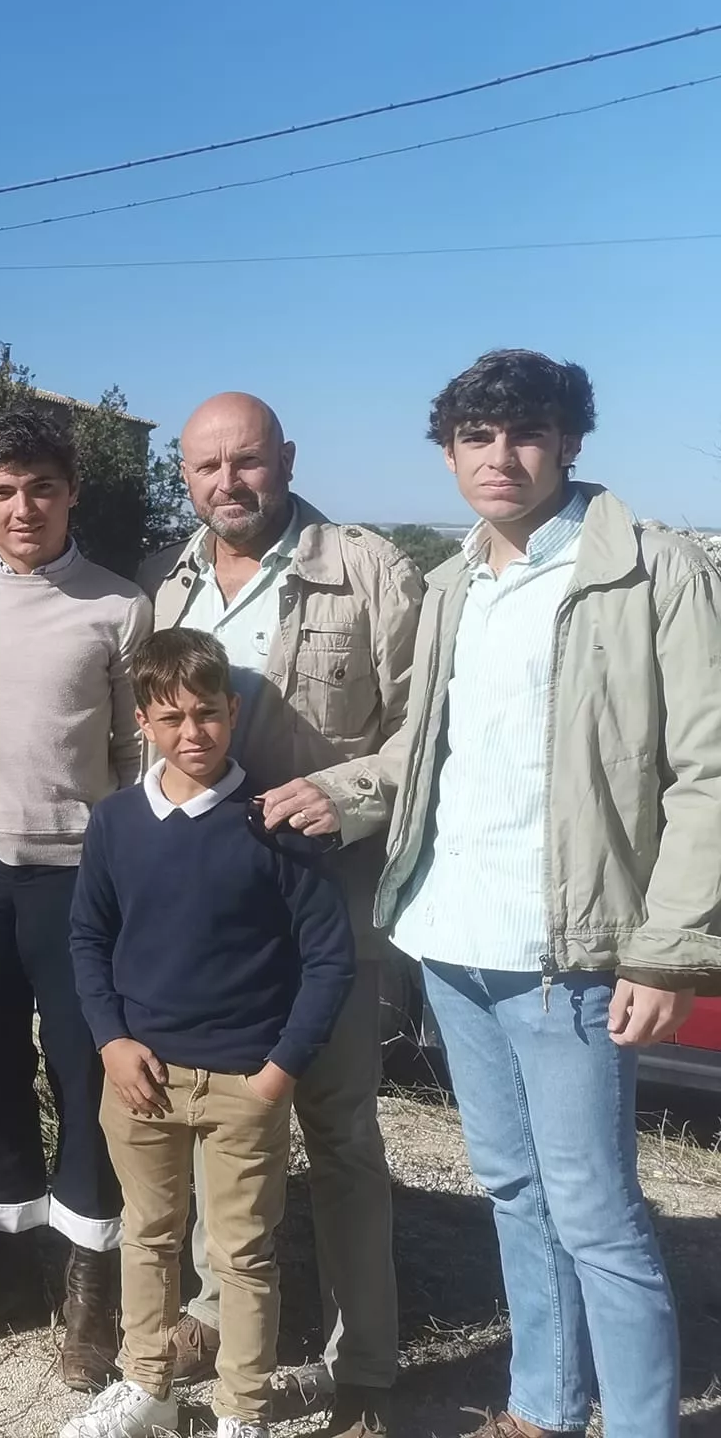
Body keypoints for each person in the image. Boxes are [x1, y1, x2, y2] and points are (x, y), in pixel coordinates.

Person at [266, 350, 721, 1438]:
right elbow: (432, 750)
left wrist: (668, 950)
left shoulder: (652, 571)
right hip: (451, 937)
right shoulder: (453, 583)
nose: (499, 456)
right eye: (476, 437)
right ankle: (541, 1407)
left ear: (568, 441)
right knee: (513, 1193)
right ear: (448, 453)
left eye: (524, 433)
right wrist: (337, 787)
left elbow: (705, 771)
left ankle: (640, 1423)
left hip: (566, 952)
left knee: (595, 1212)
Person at [137, 392, 419, 1435]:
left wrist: (341, 796)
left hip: (324, 914)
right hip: (212, 924)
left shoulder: (367, 570)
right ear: (184, 477)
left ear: (284, 459)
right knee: (215, 1126)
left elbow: (424, 739)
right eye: (205, 468)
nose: (227, 484)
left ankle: (363, 1375)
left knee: (339, 1138)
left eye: (245, 462)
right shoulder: (166, 582)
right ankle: (217, 1314)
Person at [0, 406, 149, 1388]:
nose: (22, 507)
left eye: (40, 489)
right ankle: (3, 1271)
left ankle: (88, 1294)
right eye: (2, 490)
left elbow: (136, 754)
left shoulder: (117, 607)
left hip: (79, 885)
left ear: (69, 494)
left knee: (84, 1082)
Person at [67, 628, 354, 1438]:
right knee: (149, 1237)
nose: (192, 733)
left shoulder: (273, 824)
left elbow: (328, 960)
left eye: (207, 714)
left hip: (243, 1086)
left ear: (233, 711)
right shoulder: (117, 822)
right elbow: (87, 939)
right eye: (171, 718)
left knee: (242, 1257)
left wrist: (279, 1072)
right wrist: (111, 1041)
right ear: (143, 724)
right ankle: (148, 1387)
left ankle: (243, 1411)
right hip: (140, 1078)